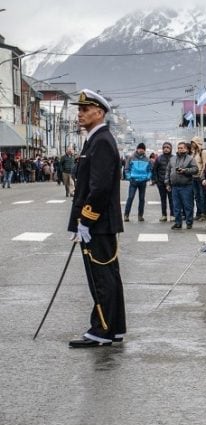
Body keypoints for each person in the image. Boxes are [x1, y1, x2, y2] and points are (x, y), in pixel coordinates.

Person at [66, 89, 126, 347]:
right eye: (79, 109)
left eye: (84, 109)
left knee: (101, 278)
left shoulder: (101, 140)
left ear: (98, 112)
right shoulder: (96, 139)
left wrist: (86, 220)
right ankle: (114, 327)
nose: (79, 114)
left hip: (98, 223)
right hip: (100, 222)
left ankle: (102, 330)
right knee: (108, 276)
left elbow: (99, 187)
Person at [165, 141, 198, 230]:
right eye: (179, 148)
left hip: (186, 185)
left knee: (188, 205)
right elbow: (168, 171)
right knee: (176, 206)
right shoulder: (172, 159)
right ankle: (178, 223)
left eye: (182, 148)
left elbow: (195, 169)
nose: (180, 149)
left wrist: (185, 170)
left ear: (186, 149)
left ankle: (189, 222)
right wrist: (167, 183)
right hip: (175, 186)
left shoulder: (190, 159)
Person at [123, 142, 152, 222]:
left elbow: (150, 170)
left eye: (143, 149)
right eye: (140, 149)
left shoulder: (147, 159)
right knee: (130, 198)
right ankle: (126, 215)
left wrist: (148, 177)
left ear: (144, 150)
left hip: (143, 181)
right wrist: (129, 177)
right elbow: (126, 169)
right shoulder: (131, 157)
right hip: (133, 181)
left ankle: (140, 215)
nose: (141, 150)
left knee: (142, 199)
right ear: (137, 149)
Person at [152, 142, 174, 221]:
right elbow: (154, 170)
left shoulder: (173, 158)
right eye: (164, 147)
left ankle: (172, 215)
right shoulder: (159, 158)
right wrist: (156, 181)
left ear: (171, 148)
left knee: (172, 199)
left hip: (171, 183)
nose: (166, 149)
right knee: (163, 199)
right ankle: (164, 215)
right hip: (161, 182)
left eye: (168, 147)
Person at [190, 136, 206, 222]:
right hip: (194, 177)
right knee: (197, 197)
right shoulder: (194, 153)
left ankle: (203, 214)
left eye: (193, 142)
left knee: (202, 196)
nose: (192, 144)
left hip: (200, 178)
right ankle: (198, 213)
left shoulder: (203, 152)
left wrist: (202, 176)